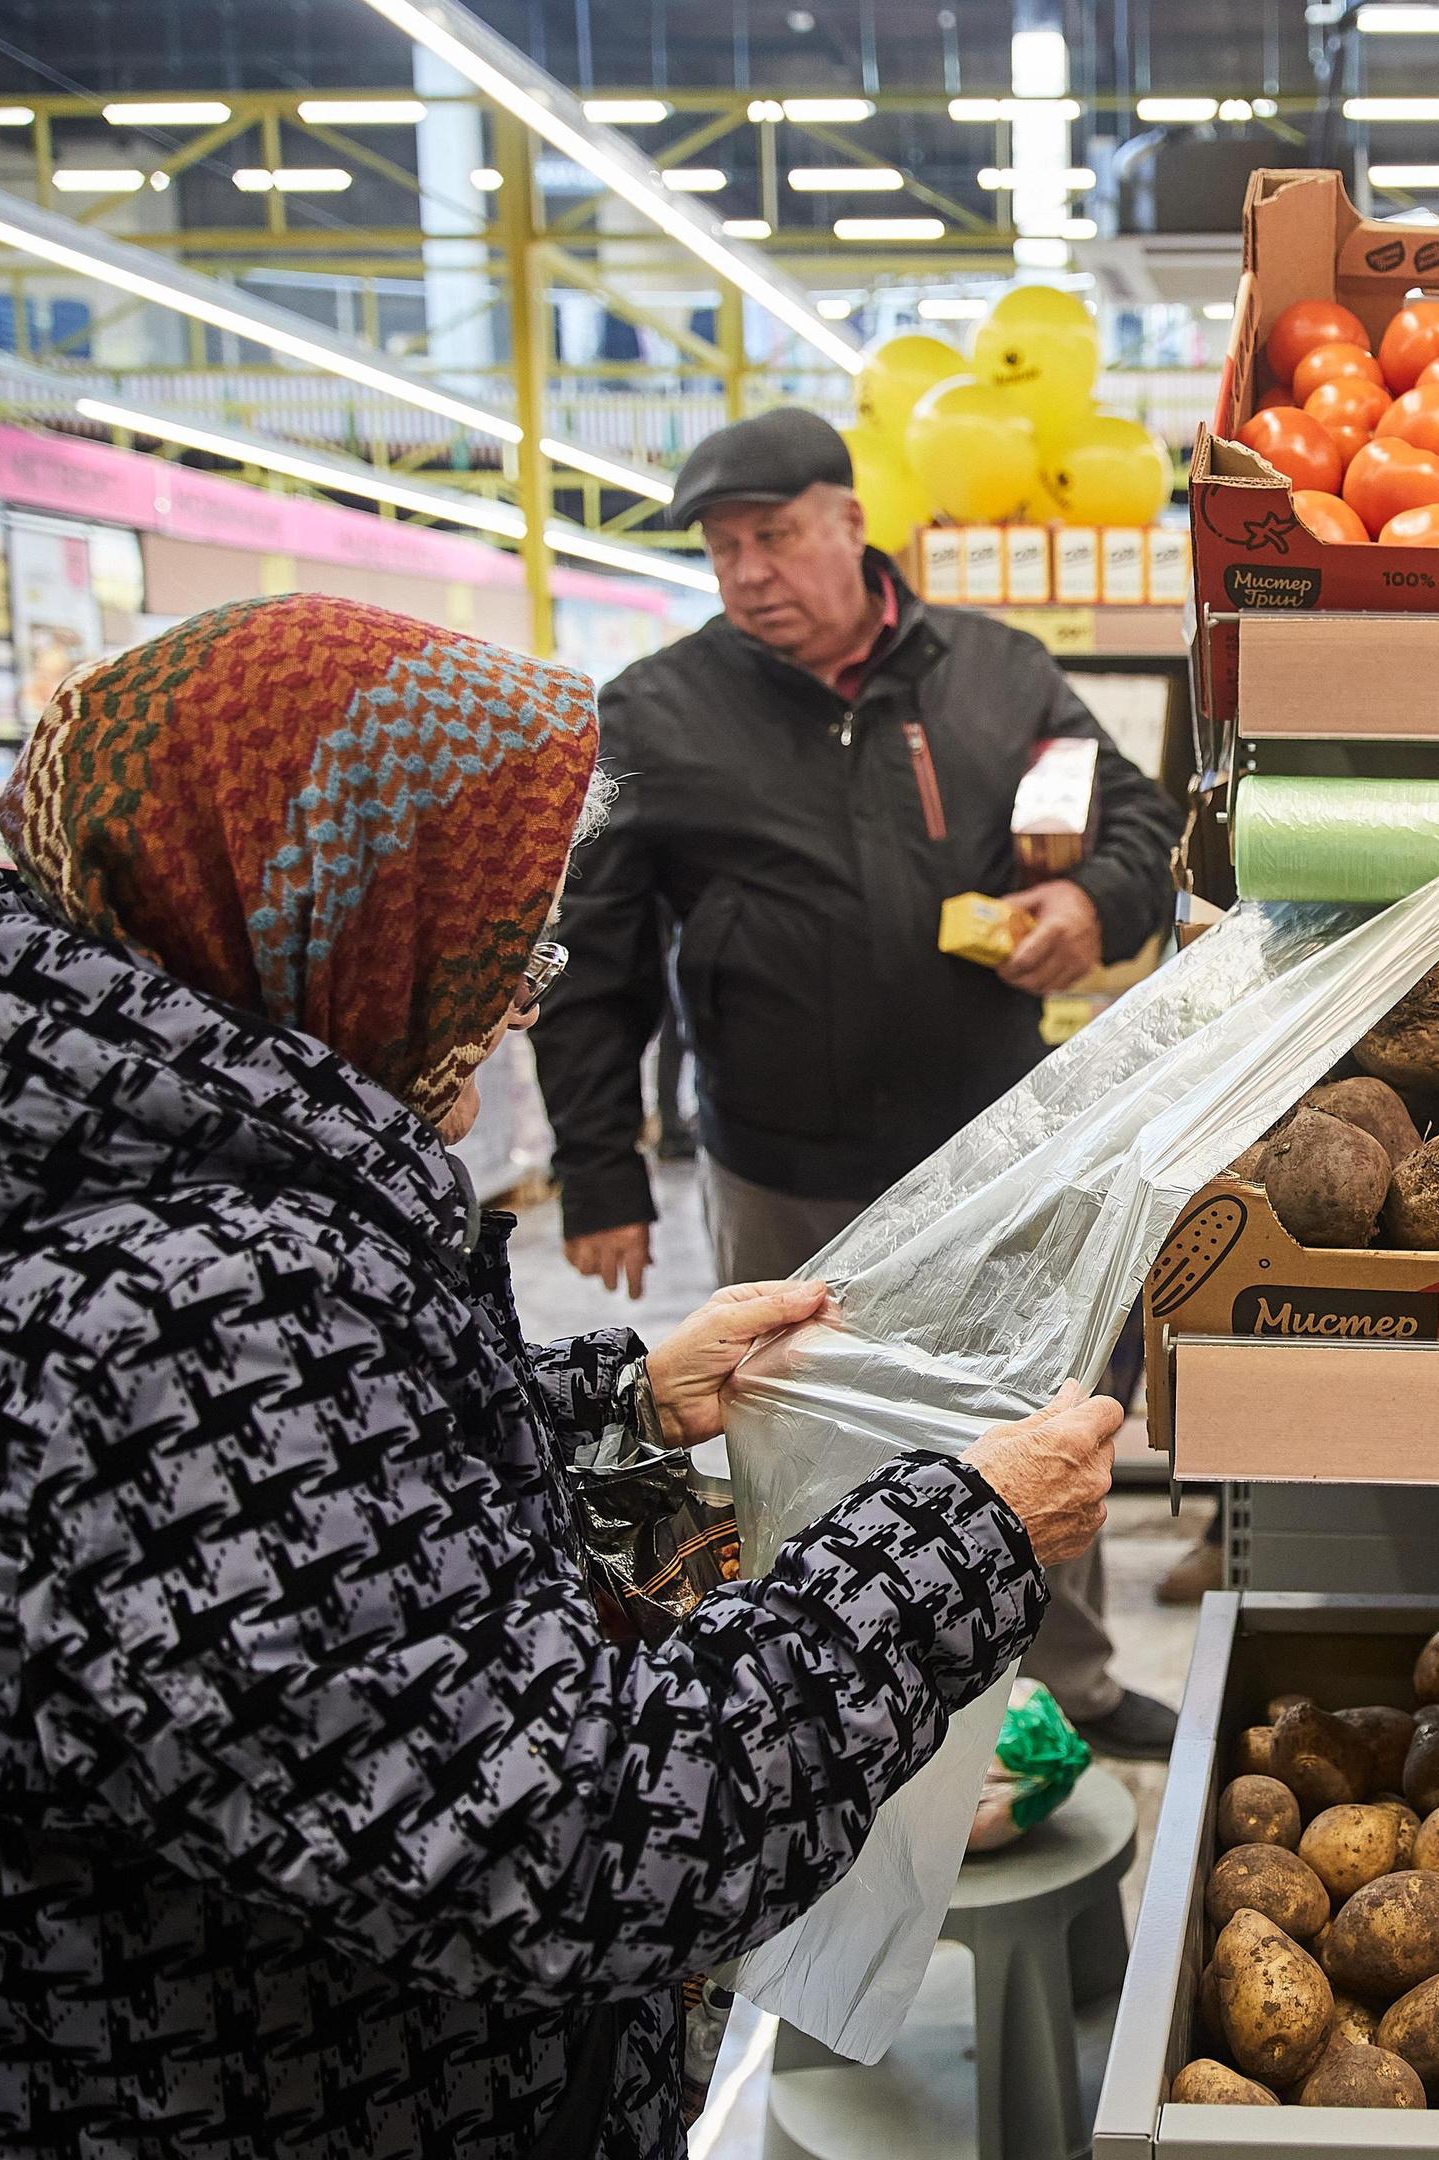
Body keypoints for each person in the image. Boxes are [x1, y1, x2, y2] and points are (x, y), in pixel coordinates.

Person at [0, 593, 1119, 2158]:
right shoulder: (183, 1309)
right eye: (496, 944)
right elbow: (582, 1845)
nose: (520, 1001)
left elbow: (268, 1574)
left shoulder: (12, 1141)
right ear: (333, 910)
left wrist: (607, 1395)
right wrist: (959, 1541)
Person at [535, 405, 1186, 1756]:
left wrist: (1091, 902)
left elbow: (1131, 815)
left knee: (1028, 1418)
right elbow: (595, 963)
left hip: (993, 1153)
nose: (748, 572)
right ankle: (826, 1717)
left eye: (773, 537)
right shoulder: (659, 711)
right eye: (721, 550)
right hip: (779, 1166)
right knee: (802, 1442)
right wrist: (601, 1167)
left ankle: (1069, 1682)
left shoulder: (997, 677)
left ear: (850, 523)